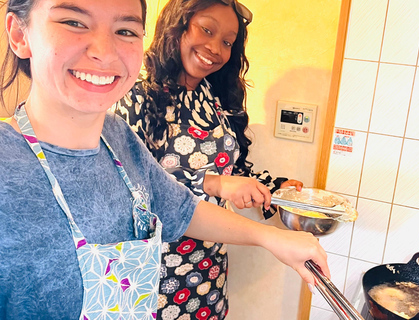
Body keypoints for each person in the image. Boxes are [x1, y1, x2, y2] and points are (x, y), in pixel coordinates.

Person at [0, 0, 329, 319]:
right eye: (74, 22)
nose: (103, 50)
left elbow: (180, 208)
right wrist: (215, 184)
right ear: (19, 34)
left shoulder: (117, 137)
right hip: (169, 278)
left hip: (205, 272)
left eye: (125, 30)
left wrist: (273, 234)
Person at [115, 0, 308, 319]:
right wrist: (216, 184)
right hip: (153, 274)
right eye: (207, 29)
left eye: (228, 42)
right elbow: (130, 186)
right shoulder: (138, 94)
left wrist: (275, 186)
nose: (216, 48)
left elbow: (232, 169)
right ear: (177, 25)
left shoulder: (213, 98)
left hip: (208, 269)